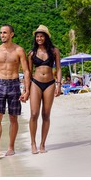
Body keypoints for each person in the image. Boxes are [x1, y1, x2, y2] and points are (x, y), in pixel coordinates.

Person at [0, 24, 31, 157]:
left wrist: (27, 90)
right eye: (1, 33)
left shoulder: (19, 50)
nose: (2, 35)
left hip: (14, 84)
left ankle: (11, 147)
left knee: (13, 117)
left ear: (11, 34)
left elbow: (26, 71)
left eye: (5, 32)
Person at [28, 25, 62, 154]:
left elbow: (58, 68)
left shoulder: (54, 51)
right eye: (37, 36)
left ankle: (42, 144)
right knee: (34, 114)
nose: (39, 38)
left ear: (46, 37)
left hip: (50, 83)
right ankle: (33, 143)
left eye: (41, 36)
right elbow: (28, 73)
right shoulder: (31, 53)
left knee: (46, 115)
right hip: (35, 83)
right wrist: (26, 89)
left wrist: (59, 85)